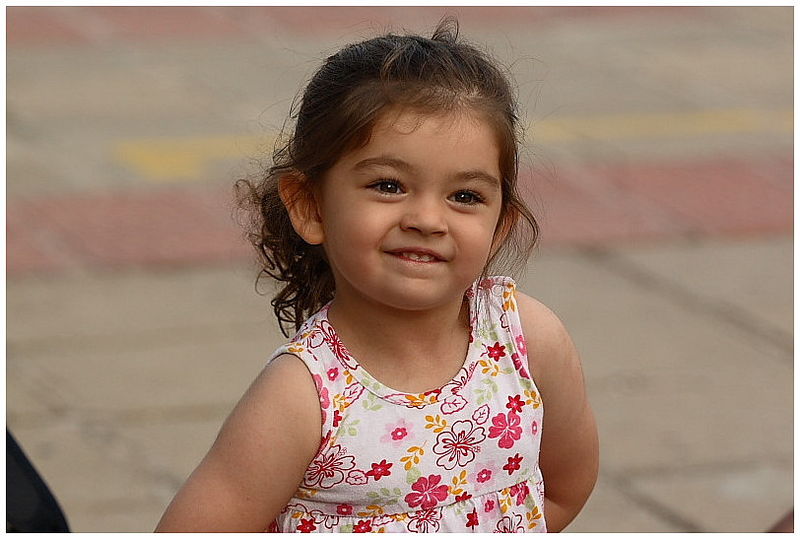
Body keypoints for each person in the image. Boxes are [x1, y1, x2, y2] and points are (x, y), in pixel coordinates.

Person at [156, 17, 598, 533]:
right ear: (311, 207)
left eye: (465, 196)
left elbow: (563, 490)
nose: (427, 220)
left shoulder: (525, 339)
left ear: (500, 226)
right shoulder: (302, 396)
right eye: (389, 186)